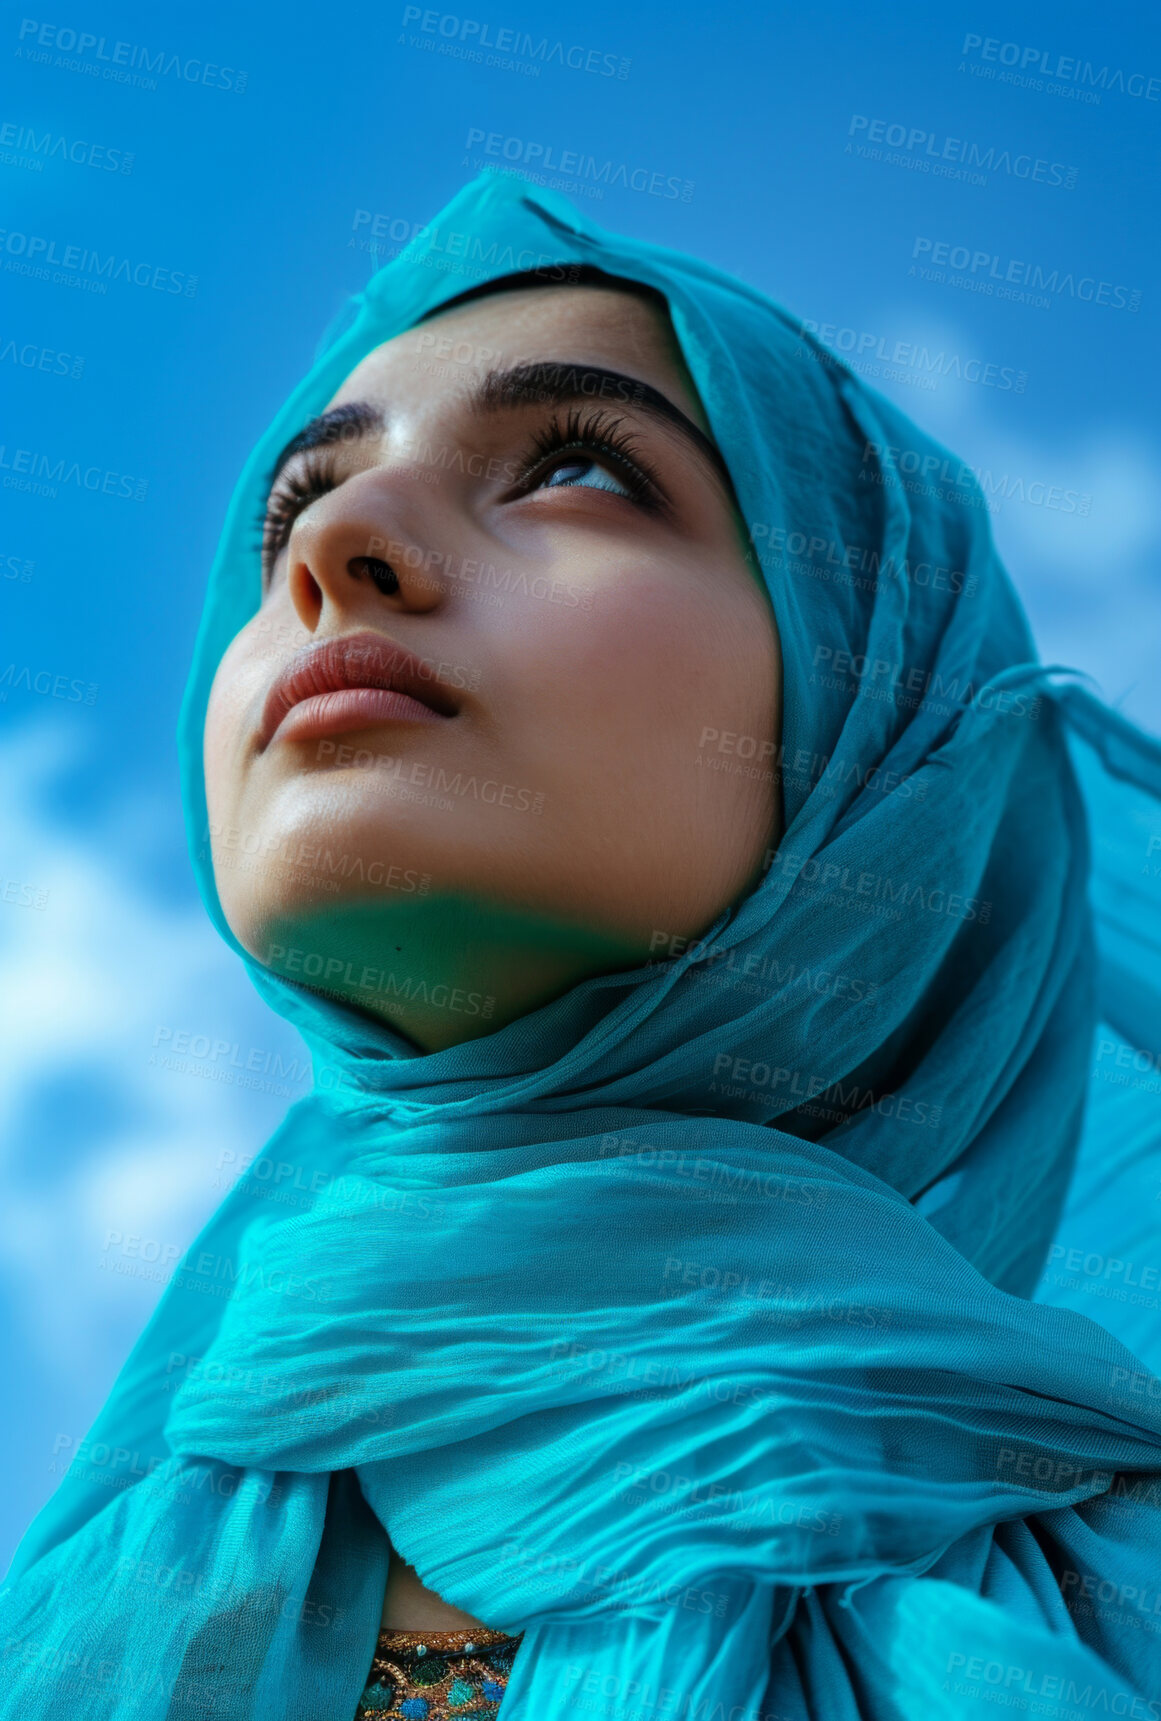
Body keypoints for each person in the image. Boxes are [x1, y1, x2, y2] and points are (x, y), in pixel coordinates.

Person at [2, 173, 1160, 1721]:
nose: (334, 541)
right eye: (292, 503)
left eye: (574, 468)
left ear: (885, 723)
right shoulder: (91, 1598)